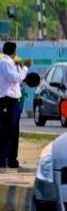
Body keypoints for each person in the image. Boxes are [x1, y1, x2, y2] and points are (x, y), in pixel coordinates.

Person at [0, 42, 27, 172]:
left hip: (15, 101)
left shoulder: (12, 63)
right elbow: (14, 78)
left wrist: (19, 66)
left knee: (14, 133)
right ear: (14, 51)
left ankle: (12, 161)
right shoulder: (5, 63)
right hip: (7, 101)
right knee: (6, 131)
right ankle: (2, 161)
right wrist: (25, 68)